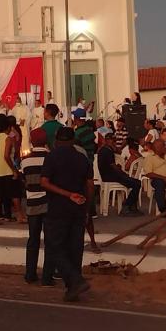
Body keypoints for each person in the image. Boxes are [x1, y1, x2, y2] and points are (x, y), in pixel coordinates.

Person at [40, 127, 93, 301]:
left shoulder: (52, 157)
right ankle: (73, 288)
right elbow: (90, 185)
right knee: (75, 249)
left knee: (55, 247)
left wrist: (67, 194)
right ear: (73, 140)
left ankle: (75, 280)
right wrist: (87, 207)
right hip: (79, 208)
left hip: (58, 208)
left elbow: (44, 182)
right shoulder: (82, 158)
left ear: (57, 140)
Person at [20, 128, 53, 285]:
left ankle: (30, 274)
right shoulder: (50, 158)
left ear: (32, 141)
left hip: (32, 203)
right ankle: (47, 277)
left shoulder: (25, 160)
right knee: (49, 240)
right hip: (48, 203)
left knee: (33, 239)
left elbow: (24, 180)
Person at [98, 133, 143, 216]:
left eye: (114, 140)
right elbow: (113, 167)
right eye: (112, 140)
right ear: (107, 140)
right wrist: (123, 173)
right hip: (111, 176)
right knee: (137, 183)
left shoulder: (106, 149)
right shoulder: (107, 151)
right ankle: (127, 206)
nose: (113, 142)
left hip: (110, 175)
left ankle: (132, 206)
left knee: (136, 183)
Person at [0, 114, 20, 225]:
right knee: (14, 193)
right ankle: (20, 215)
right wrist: (14, 169)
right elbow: (7, 155)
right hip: (6, 170)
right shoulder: (8, 139)